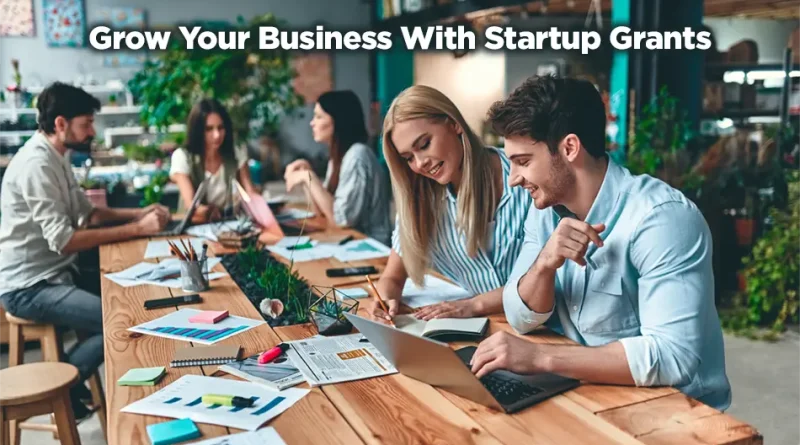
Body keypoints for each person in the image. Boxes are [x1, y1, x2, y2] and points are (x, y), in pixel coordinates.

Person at [469, 75, 731, 411]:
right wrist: (545, 264)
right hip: (586, 395)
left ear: (569, 148)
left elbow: (674, 357)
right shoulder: (544, 209)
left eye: (523, 162)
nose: (514, 179)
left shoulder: (661, 219)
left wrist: (542, 357)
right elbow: (522, 317)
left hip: (675, 414)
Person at [0, 82, 170, 420]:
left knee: (131, 300)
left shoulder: (57, 157)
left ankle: (72, 381)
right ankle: (66, 384)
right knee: (122, 320)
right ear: (61, 124)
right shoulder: (37, 165)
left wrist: (141, 213)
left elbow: (88, 214)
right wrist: (139, 229)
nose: (92, 130)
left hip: (57, 275)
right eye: (86, 123)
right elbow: (63, 240)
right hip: (29, 286)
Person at [368, 85, 533, 321]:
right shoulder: (419, 200)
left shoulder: (524, 177)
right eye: (408, 158)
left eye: (424, 145)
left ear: (454, 123)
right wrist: (384, 300)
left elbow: (555, 277)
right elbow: (392, 278)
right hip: (491, 328)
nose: (420, 163)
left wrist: (474, 305)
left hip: (550, 330)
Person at [284, 90, 392, 245]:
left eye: (319, 116)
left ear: (338, 121)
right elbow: (321, 212)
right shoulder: (337, 158)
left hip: (370, 249)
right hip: (347, 244)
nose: (312, 123)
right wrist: (307, 177)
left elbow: (340, 220)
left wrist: (309, 177)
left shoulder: (357, 156)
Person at [170, 98, 257, 223]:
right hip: (193, 228)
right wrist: (209, 211)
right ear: (198, 131)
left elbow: (250, 192)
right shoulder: (183, 157)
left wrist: (264, 207)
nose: (216, 135)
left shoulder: (235, 152)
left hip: (229, 225)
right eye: (209, 129)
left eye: (220, 127)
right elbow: (190, 205)